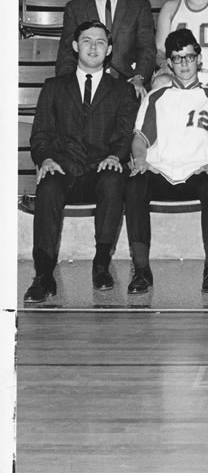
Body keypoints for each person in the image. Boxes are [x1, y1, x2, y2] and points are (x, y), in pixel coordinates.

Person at [25, 21, 140, 303]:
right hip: (63, 168)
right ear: (75, 46)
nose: (93, 46)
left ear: (109, 49)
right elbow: (40, 134)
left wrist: (116, 156)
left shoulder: (122, 90)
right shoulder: (54, 87)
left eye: (100, 42)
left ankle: (101, 263)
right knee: (48, 186)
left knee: (114, 180)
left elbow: (125, 134)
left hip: (101, 169)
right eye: (86, 40)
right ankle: (43, 274)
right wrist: (46, 159)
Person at [125, 29, 208, 295]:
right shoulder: (156, 97)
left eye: (189, 57)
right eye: (177, 58)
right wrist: (139, 159)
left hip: (197, 171)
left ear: (199, 59)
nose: (184, 64)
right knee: (135, 184)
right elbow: (140, 139)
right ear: (169, 63)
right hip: (160, 171)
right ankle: (141, 270)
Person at [56, 0, 155, 100]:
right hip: (88, 84)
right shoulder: (75, 8)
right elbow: (67, 55)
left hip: (128, 84)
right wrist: (71, 86)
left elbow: (147, 50)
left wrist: (139, 78)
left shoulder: (140, 6)